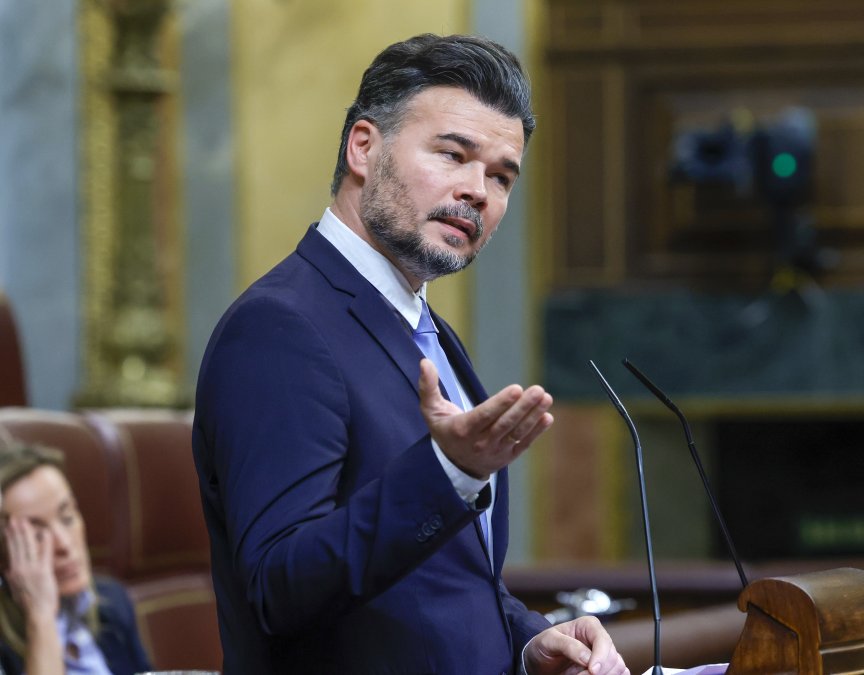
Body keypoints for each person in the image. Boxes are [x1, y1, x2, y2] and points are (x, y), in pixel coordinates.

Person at [193, 33, 629, 674]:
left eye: (501, 176)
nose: (479, 192)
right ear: (363, 148)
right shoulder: (278, 328)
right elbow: (278, 587)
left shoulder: (426, 329)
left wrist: (528, 639)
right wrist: (446, 474)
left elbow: (440, 582)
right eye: (454, 155)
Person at [0, 444, 152, 675]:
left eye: (67, 516)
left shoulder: (112, 603)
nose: (64, 544)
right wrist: (41, 617)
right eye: (36, 535)